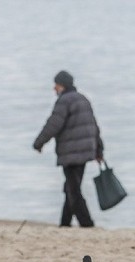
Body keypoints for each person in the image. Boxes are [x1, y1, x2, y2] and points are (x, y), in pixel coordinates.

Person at [33, 70, 103, 228]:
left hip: (71, 153)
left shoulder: (64, 101)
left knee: (73, 190)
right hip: (85, 151)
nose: (54, 89)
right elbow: (94, 127)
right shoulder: (83, 99)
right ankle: (64, 224)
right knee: (71, 187)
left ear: (62, 85)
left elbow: (53, 124)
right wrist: (99, 150)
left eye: (56, 85)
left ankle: (87, 224)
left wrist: (39, 143)